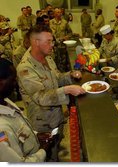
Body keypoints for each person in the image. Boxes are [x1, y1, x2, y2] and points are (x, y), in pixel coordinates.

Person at [16, 25, 85, 161]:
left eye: (52, 41)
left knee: (56, 147)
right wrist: (68, 90)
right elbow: (41, 97)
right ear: (36, 42)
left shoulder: (47, 58)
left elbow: (57, 78)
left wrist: (71, 75)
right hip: (43, 124)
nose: (52, 44)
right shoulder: (25, 68)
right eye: (49, 41)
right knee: (47, 156)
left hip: (56, 117)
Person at [0, 58, 46, 162]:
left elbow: (18, 128)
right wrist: (43, 150)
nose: (15, 84)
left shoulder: (5, 101)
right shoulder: (1, 128)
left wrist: (35, 135)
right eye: (12, 80)